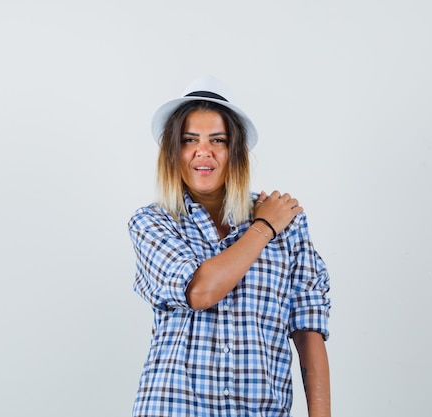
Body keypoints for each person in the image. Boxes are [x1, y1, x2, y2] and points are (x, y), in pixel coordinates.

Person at [128, 75, 331, 417]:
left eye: (217, 140)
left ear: (235, 150)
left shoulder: (290, 224)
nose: (202, 151)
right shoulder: (152, 223)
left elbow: (308, 329)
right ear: (173, 151)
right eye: (188, 139)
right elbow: (201, 292)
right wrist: (264, 228)